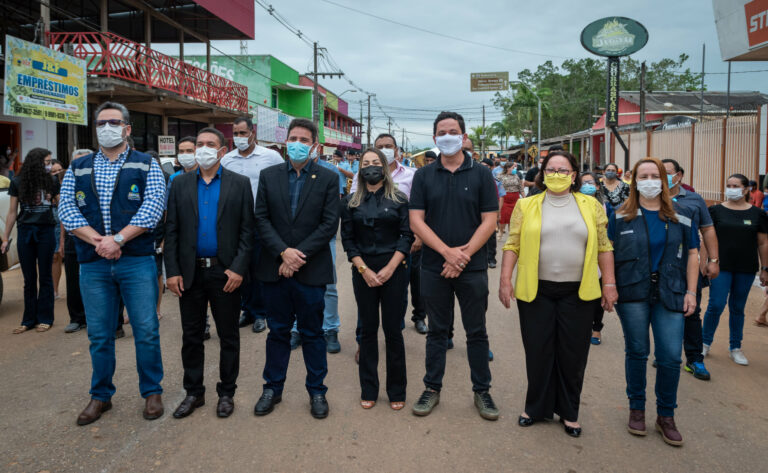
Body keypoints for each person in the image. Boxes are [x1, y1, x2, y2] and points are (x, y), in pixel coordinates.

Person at [59, 101, 166, 426]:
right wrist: (100, 242)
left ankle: (152, 392)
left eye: (114, 122)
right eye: (101, 123)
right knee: (100, 334)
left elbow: (153, 207)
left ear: (127, 129)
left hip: (135, 260)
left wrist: (118, 239)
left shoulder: (146, 164)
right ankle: (100, 396)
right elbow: (67, 210)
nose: (107, 128)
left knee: (146, 329)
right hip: (93, 263)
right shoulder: (78, 167)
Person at [499, 151, 616, 438]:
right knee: (538, 351)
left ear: (574, 175)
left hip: (578, 292)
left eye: (563, 170)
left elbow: (604, 246)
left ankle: (569, 412)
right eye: (551, 169)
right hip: (536, 289)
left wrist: (610, 284)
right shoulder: (527, 205)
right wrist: (504, 280)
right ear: (542, 172)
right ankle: (535, 408)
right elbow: (512, 244)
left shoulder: (591, 205)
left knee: (573, 354)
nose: (557, 174)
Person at [409, 111, 499, 420]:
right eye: (441, 132)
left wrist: (463, 256)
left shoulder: (482, 174)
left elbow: (490, 220)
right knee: (437, 332)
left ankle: (482, 391)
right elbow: (416, 220)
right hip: (434, 266)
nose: (447, 136)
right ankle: (431, 388)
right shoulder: (423, 175)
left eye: (453, 131)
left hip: (471, 268)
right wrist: (447, 252)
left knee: (476, 332)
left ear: (463, 136)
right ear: (434, 138)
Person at [165, 127, 255, 419]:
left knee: (228, 336)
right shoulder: (179, 184)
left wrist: (238, 268)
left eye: (209, 145)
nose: (202, 149)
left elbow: (247, 231)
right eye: (197, 145)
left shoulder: (239, 184)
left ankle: (226, 393)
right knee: (191, 336)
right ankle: (194, 393)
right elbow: (173, 230)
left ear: (221, 150)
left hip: (225, 273)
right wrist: (172, 271)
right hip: (189, 274)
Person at [609, 157, 699, 447]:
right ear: (634, 181)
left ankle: (666, 416)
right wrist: (608, 286)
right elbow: (606, 251)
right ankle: (637, 409)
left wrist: (692, 292)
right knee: (637, 351)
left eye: (655, 175)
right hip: (632, 292)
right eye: (643, 175)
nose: (649, 180)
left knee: (671, 356)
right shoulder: (620, 214)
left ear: (665, 179)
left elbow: (693, 254)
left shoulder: (682, 214)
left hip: (671, 292)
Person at [253, 118, 339, 419]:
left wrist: (296, 256)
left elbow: (329, 224)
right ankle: (272, 388)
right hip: (274, 268)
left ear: (314, 145)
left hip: (310, 269)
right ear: (285, 141)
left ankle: (317, 391)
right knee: (277, 332)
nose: (298, 144)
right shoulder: (269, 175)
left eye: (304, 139)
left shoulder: (328, 178)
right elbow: (261, 219)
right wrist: (282, 253)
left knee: (312, 333)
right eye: (293, 138)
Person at [341, 147, 412, 410]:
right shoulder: (350, 202)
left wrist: (391, 267)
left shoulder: (400, 199)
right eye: (365, 162)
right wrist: (364, 269)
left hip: (394, 270)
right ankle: (369, 388)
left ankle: (397, 391)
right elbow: (348, 240)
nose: (371, 166)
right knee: (368, 331)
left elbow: (406, 236)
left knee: (394, 332)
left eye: (376, 162)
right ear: (359, 169)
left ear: (384, 167)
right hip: (363, 272)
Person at [221, 116, 284, 334]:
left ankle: (260, 313)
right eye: (235, 134)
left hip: (260, 221)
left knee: (258, 268)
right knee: (240, 268)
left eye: (242, 133)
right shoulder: (227, 160)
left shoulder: (271, 156)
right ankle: (246, 309)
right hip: (235, 222)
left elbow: (281, 183)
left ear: (252, 133)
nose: (239, 137)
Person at [702, 174, 768, 366]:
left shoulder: (757, 214)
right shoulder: (715, 211)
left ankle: (735, 347)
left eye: (736, 185)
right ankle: (705, 343)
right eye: (729, 185)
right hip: (720, 266)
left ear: (746, 189)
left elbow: (763, 243)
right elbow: (707, 237)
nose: (731, 189)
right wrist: (705, 261)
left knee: (737, 307)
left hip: (746, 268)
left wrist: (765, 268)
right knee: (716, 304)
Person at [662, 158, 719, 381]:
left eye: (667, 172)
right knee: (662, 310)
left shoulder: (694, 200)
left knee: (691, 311)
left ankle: (695, 359)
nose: (662, 177)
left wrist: (713, 259)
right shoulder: (651, 198)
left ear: (679, 175)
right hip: (660, 264)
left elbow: (708, 230)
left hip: (689, 264)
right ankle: (666, 354)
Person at [2, 148, 60, 333]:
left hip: (46, 232)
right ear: (36, 163)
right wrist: (5, 237)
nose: (49, 166)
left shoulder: (52, 181)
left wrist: (64, 235)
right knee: (28, 279)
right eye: (47, 162)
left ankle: (46, 318)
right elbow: (12, 212)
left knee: (45, 276)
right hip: (26, 232)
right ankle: (28, 320)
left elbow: (61, 206)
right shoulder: (17, 182)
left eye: (50, 162)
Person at [579, 171, 612, 346]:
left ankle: (596, 328)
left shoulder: (607, 206)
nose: (587, 185)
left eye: (590, 182)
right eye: (583, 183)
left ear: (597, 186)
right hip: (580, 255)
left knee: (598, 294)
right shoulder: (574, 204)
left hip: (599, 254)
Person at [63, 149, 93, 333]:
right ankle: (76, 317)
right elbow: (64, 213)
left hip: (100, 240)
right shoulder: (69, 182)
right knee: (73, 280)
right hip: (74, 239)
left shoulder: (101, 182)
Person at [481, 158, 505, 268]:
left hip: (490, 212)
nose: (483, 168)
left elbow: (500, 197)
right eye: (482, 165)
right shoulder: (474, 179)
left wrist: (498, 213)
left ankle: (491, 258)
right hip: (477, 212)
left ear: (491, 168)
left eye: (486, 166)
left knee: (490, 236)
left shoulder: (496, 181)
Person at [50, 159, 65, 299]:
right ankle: (52, 290)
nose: (57, 173)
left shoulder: (69, 182)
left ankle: (55, 290)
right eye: (53, 171)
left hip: (63, 220)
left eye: (59, 170)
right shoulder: (50, 185)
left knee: (57, 257)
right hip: (52, 219)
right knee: (53, 257)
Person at [498, 161, 523, 238]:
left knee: (514, 217)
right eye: (513, 167)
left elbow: (520, 188)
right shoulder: (500, 176)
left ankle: (511, 234)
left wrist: (525, 198)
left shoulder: (516, 176)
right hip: (504, 198)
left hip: (515, 198)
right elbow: (497, 187)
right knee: (503, 216)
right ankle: (501, 231)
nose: (515, 169)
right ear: (508, 168)